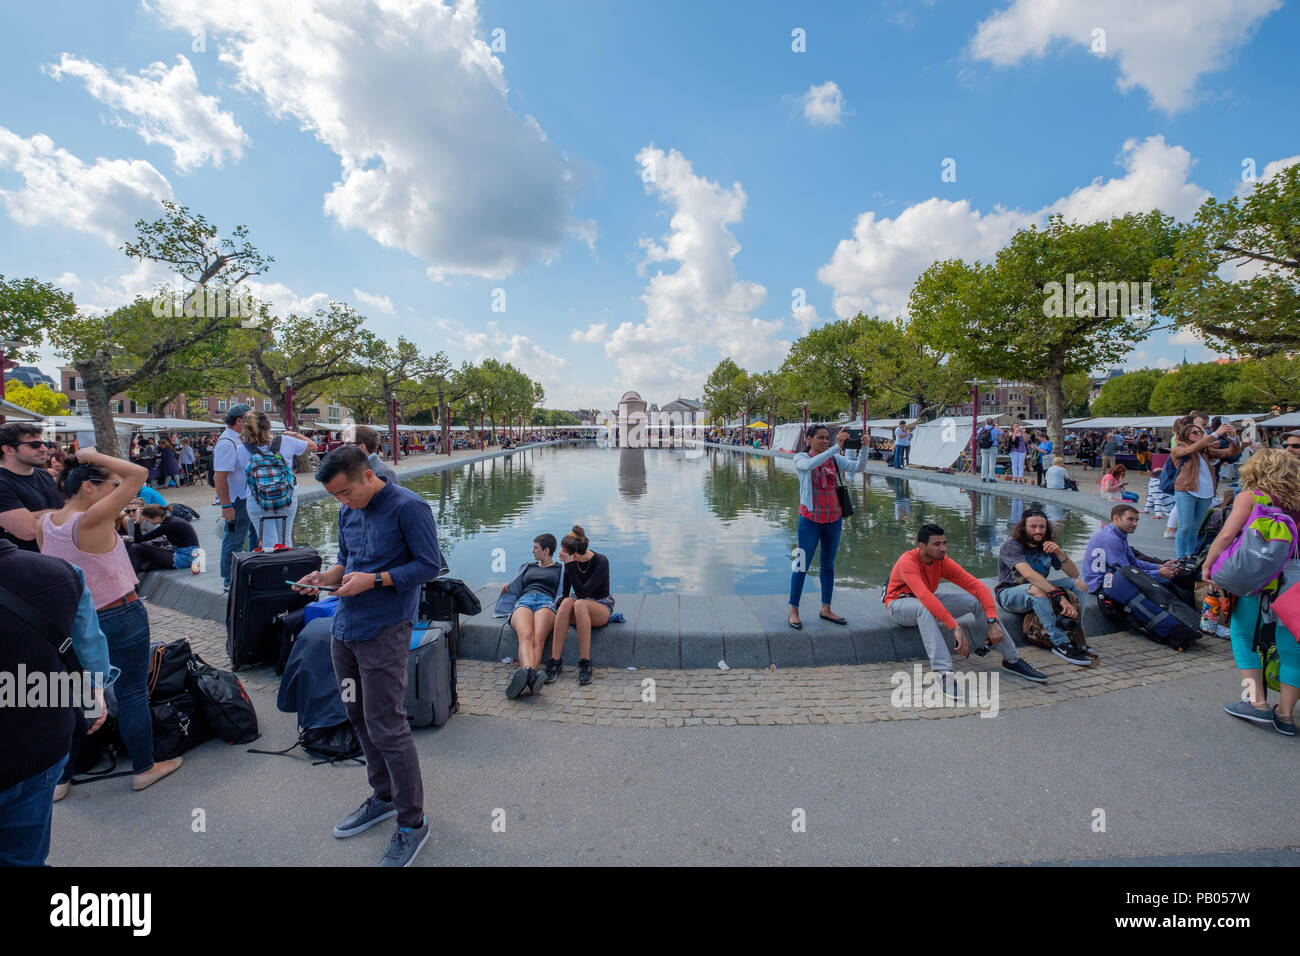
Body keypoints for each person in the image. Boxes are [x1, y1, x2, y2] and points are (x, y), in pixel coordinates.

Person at [293, 445, 442, 867]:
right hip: (346, 628)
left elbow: (430, 566)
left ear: (366, 476)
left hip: (386, 628)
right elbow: (346, 561)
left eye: (345, 493)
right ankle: (384, 795)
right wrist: (323, 578)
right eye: (335, 496)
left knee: (388, 723)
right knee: (357, 715)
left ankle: (413, 822)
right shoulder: (347, 510)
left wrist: (374, 581)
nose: (342, 502)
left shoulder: (409, 507)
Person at [36, 450, 184, 797]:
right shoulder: (90, 519)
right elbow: (137, 475)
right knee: (131, 692)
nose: (119, 492)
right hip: (118, 612)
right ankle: (145, 768)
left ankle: (61, 779)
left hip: (73, 621)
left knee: (79, 695)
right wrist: (93, 453)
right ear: (88, 487)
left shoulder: (45, 525)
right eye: (111, 486)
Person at [0, 538, 114, 866]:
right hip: (42, 745)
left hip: (37, 749)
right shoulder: (62, 572)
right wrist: (93, 698)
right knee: (24, 856)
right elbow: (90, 654)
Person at [885, 523, 1047, 697]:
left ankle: (1012, 659)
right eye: (937, 544)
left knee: (975, 601)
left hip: (923, 602)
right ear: (922, 546)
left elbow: (979, 588)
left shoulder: (941, 562)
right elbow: (925, 597)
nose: (943, 548)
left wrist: (992, 621)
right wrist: (955, 627)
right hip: (899, 605)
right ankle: (943, 671)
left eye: (944, 543)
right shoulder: (908, 561)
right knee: (924, 607)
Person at [1204, 449, 1300, 735]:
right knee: (1293, 647)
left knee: (1243, 636)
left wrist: (1209, 566)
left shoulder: (1252, 496)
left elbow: (1226, 536)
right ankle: (1286, 716)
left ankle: (1256, 703)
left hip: (1255, 575)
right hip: (1295, 576)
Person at [788, 424, 866, 629]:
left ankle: (826, 608)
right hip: (810, 521)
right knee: (801, 565)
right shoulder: (800, 458)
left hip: (833, 520)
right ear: (809, 439)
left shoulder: (834, 458)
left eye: (827, 438)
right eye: (820, 438)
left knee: (828, 565)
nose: (825, 441)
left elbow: (858, 467)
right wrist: (835, 448)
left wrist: (865, 448)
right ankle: (794, 610)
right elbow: (809, 466)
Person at [994, 510, 1092, 665]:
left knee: (1079, 584)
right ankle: (1060, 643)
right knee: (1038, 589)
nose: (1038, 530)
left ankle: (1078, 636)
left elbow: (1074, 573)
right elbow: (1029, 574)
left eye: (1042, 527)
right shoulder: (1012, 546)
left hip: (1039, 590)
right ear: (1023, 527)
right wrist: (1058, 597)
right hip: (1009, 593)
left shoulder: (1047, 546)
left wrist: (1059, 552)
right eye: (1033, 526)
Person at [495, 534, 565, 697]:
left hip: (546, 602)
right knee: (525, 635)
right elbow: (517, 586)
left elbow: (563, 591)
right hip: (524, 601)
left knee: (538, 638)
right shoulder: (528, 566)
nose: (532, 551)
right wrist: (507, 587)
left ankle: (525, 676)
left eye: (536, 548)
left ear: (546, 550)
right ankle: (531, 674)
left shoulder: (561, 568)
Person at [241, 410, 317, 548]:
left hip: (258, 499)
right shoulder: (285, 441)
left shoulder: (242, 449)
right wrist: (295, 434)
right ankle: (287, 568)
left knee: (267, 541)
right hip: (286, 495)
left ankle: (271, 567)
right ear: (269, 426)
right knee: (285, 539)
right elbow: (312, 446)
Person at [548, 525, 612, 686]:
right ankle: (555, 660)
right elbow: (565, 593)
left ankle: (585, 662)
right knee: (568, 602)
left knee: (580, 604)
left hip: (600, 608)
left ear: (575, 555)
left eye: (564, 552)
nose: (561, 554)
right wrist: (568, 567)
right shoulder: (571, 561)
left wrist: (569, 565)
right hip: (578, 607)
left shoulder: (601, 562)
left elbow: (583, 593)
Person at [1170, 417, 1239, 559]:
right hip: (1186, 491)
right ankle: (1181, 557)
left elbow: (1230, 452)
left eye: (1200, 432)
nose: (1200, 434)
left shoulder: (1205, 450)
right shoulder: (1178, 449)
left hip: (1205, 492)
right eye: (1195, 433)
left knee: (1195, 528)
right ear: (1185, 435)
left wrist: (1234, 438)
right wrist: (1215, 434)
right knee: (1185, 527)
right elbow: (1191, 449)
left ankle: (1190, 555)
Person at [1082, 504, 1180, 594]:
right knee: (1164, 585)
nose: (1135, 524)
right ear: (1116, 518)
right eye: (1130, 519)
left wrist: (1160, 566)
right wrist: (1158, 573)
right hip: (1101, 586)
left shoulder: (1118, 534)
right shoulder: (1111, 538)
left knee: (1166, 583)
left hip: (1111, 579)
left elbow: (1133, 562)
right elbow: (1125, 573)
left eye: (1136, 520)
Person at [214, 404, 259, 591]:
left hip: (246, 496)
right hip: (237, 498)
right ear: (240, 421)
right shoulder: (227, 443)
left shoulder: (238, 440)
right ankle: (229, 579)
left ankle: (253, 572)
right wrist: (226, 506)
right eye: (250, 419)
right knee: (234, 538)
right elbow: (220, 477)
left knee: (253, 535)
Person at [0, 423, 64, 552]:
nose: (44, 449)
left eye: (43, 444)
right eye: (34, 445)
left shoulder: (46, 475)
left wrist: (34, 515)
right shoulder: (2, 482)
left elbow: (73, 512)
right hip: (21, 568)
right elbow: (28, 531)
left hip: (55, 561)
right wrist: (65, 515)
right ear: (8, 449)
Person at [127, 504, 202, 573]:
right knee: (144, 565)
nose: (147, 521)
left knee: (135, 547)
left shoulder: (168, 525)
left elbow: (138, 540)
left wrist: (137, 522)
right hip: (189, 555)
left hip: (185, 557)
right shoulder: (171, 520)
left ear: (156, 518)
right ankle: (134, 579)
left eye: (147, 520)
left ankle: (133, 583)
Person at [977, 418, 1001, 482]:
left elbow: (977, 437)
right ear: (992, 423)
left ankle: (983, 477)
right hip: (992, 447)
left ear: (985, 422)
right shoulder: (995, 429)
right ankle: (991, 478)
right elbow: (1002, 433)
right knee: (992, 463)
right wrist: (997, 426)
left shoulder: (981, 429)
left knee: (984, 462)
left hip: (983, 447)